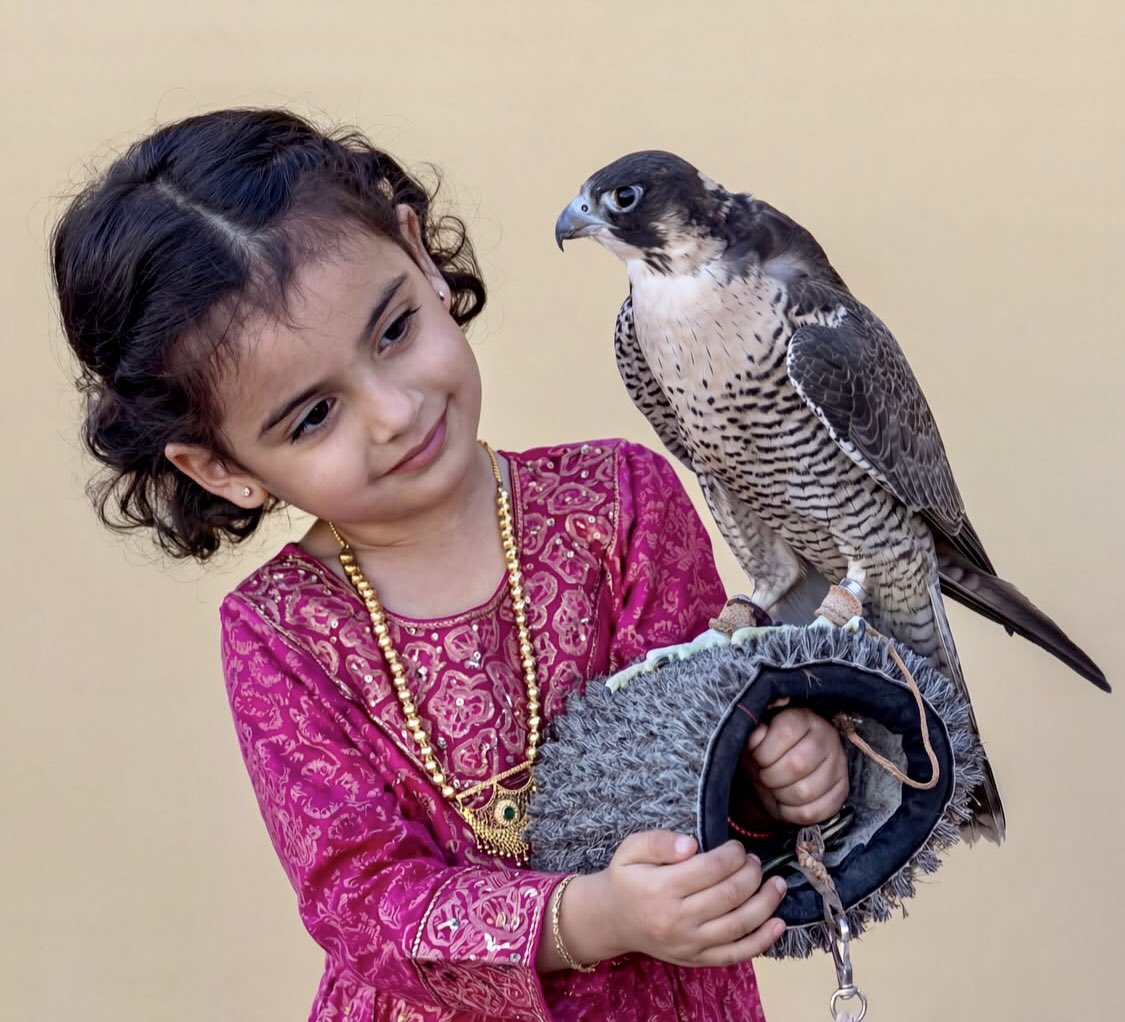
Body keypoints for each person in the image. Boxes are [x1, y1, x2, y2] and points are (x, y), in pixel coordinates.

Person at [52, 108, 849, 1021]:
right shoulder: (280, 634)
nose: (391, 412)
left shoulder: (619, 503)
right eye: (312, 416)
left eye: (391, 331)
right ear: (222, 468)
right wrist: (587, 917)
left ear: (418, 255)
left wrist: (778, 771)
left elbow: (698, 748)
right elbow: (361, 900)